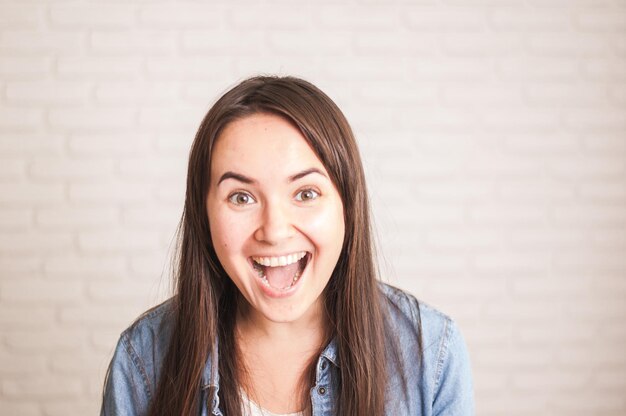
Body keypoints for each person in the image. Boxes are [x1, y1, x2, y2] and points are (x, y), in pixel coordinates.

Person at [100, 75, 474, 416]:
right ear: (204, 214)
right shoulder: (143, 359)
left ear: (347, 205)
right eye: (241, 197)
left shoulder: (431, 352)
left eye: (306, 193)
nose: (275, 231)